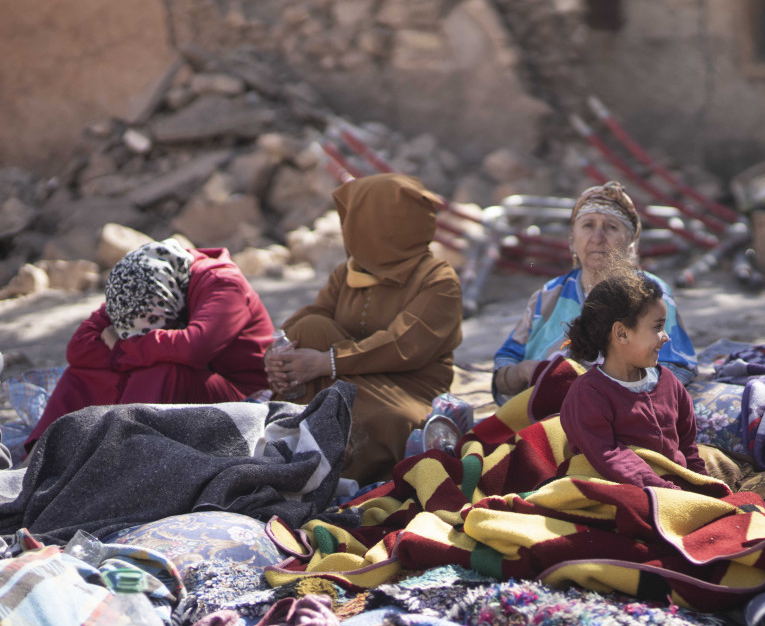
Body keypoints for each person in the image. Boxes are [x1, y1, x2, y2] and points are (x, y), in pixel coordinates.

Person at [264, 173, 462, 485]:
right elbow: (311, 317)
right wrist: (280, 358)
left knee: (391, 422)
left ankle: (325, 471)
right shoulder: (349, 272)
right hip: (345, 382)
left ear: (386, 225)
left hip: (402, 392)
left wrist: (324, 362)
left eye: (359, 219)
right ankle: (303, 454)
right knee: (310, 327)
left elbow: (402, 344)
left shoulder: (437, 279)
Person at [25, 239, 274, 451]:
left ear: (167, 301)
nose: (137, 336)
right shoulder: (138, 288)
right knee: (81, 373)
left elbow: (194, 349)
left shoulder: (223, 283)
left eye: (147, 329)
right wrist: (137, 349)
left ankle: (121, 451)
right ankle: (42, 452)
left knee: (161, 368)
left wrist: (125, 347)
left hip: (241, 393)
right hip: (191, 376)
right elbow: (80, 347)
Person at [492, 181, 696, 405]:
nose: (597, 238)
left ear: (630, 243)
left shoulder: (649, 294)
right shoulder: (549, 294)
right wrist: (523, 372)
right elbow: (505, 364)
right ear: (572, 239)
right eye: (588, 225)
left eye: (611, 227)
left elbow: (673, 370)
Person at [559, 259, 712, 491]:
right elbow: (609, 456)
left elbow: (688, 448)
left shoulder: (669, 383)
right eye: (657, 327)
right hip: (619, 489)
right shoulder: (588, 395)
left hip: (675, 489)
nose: (665, 337)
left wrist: (704, 487)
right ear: (621, 333)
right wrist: (665, 492)